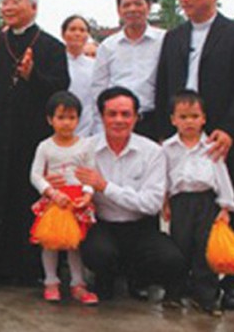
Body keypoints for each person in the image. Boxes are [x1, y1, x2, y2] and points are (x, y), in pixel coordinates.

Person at [155, 0, 234, 309]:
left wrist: (229, 128)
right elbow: (163, 87)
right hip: (183, 137)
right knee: (188, 215)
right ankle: (190, 278)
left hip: (224, 138)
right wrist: (165, 131)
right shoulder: (174, 37)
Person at [0, 0, 70, 284]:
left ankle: (29, 268)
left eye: (15, 1)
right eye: (5, 1)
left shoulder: (51, 47)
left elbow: (60, 89)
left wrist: (31, 76)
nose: (7, 7)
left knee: (25, 199)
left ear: (33, 8)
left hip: (31, 138)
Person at [76, 87, 185, 303]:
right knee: (98, 252)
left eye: (126, 114)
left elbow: (152, 204)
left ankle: (138, 278)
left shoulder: (152, 152)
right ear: (101, 116)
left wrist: (105, 187)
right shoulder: (85, 149)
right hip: (102, 225)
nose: (119, 120)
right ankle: (105, 278)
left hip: (140, 226)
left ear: (136, 117)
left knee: (172, 260)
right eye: (112, 114)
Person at [162, 89, 234, 316]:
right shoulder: (167, 148)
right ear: (173, 119)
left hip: (207, 202)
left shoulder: (211, 147)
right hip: (180, 202)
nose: (189, 122)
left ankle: (205, 297)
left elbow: (221, 175)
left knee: (204, 250)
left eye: (194, 116)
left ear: (204, 118)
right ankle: (174, 293)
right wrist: (164, 202)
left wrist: (226, 206)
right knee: (179, 246)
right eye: (183, 117)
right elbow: (163, 177)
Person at [28, 91, 98, 305]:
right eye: (61, 118)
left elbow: (91, 172)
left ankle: (78, 282)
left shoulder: (86, 146)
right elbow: (35, 175)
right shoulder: (45, 146)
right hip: (54, 201)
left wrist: (87, 193)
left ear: (78, 119)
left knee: (75, 244)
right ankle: (51, 281)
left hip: (77, 202)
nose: (66, 123)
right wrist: (51, 192)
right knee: (50, 243)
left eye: (71, 118)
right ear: (50, 120)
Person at [91, 0, 163, 138]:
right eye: (126, 5)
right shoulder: (108, 46)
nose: (132, 9)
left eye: (138, 4)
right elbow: (99, 87)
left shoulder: (164, 40)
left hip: (152, 121)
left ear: (148, 6)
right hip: (117, 121)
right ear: (119, 10)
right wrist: (100, 127)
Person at [61, 15, 96, 136]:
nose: (77, 33)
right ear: (63, 34)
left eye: (82, 30)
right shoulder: (55, 63)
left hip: (88, 126)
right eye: (72, 29)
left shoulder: (95, 66)